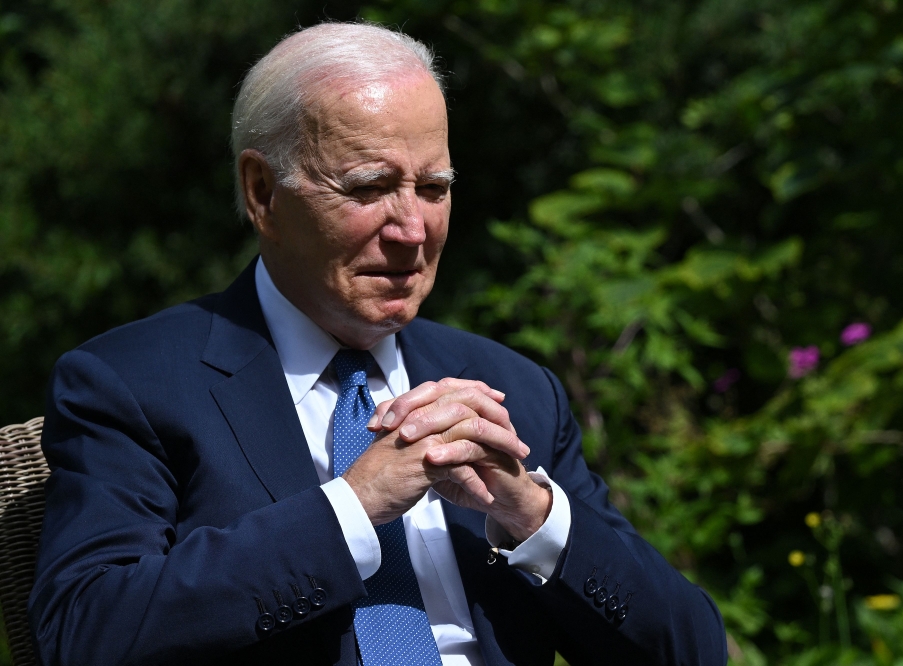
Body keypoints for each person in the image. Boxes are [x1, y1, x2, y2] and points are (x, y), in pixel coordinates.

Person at [29, 22, 727, 666]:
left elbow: (690, 650)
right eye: (370, 187)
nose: (412, 230)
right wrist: (353, 506)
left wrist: (534, 517)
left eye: (433, 187)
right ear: (263, 192)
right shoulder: (132, 383)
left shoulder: (510, 389)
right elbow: (87, 633)